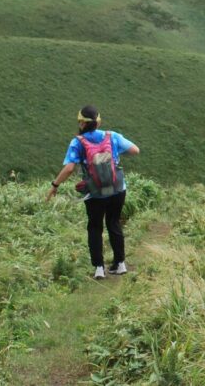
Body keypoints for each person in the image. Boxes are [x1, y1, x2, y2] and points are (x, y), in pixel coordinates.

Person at [46, 105, 140, 279]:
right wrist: (114, 154)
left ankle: (99, 268)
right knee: (114, 223)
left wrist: (55, 185)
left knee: (95, 227)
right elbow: (135, 150)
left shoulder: (78, 142)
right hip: (118, 190)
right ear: (98, 122)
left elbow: (69, 168)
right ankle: (120, 264)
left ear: (81, 123)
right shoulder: (111, 136)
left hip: (95, 193)